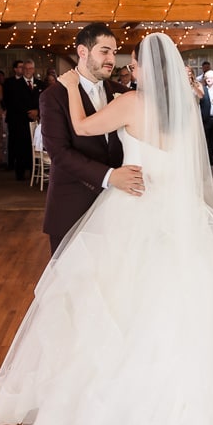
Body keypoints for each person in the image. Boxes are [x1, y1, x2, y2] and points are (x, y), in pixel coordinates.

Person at [0, 32, 213, 425]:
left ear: (148, 69)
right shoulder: (183, 107)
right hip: (171, 213)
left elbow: (83, 129)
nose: (126, 68)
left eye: (133, 63)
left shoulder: (130, 100)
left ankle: (109, 386)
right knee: (161, 301)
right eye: (115, 57)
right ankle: (166, 386)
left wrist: (69, 90)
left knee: (118, 297)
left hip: (133, 207)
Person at [38, 23, 141, 254]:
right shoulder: (53, 96)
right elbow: (59, 154)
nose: (111, 59)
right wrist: (109, 176)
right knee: (69, 284)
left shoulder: (123, 93)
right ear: (83, 52)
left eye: (114, 52)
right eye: (104, 51)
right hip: (72, 205)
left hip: (120, 207)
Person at [2, 59, 43, 180]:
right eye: (26, 68)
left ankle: (33, 172)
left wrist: (38, 112)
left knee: (34, 146)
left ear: (34, 70)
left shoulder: (41, 84)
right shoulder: (14, 84)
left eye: (31, 68)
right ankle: (19, 173)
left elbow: (45, 101)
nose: (28, 71)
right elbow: (11, 102)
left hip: (36, 121)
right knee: (20, 147)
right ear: (22, 70)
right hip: (19, 121)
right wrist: (28, 112)